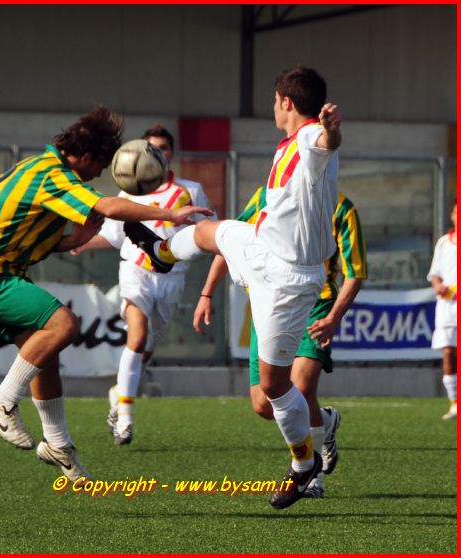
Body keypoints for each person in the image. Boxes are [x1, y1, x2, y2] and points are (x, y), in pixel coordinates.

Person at [0, 106, 211, 483]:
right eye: (100, 167)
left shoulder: (40, 168)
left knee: (45, 354)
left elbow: (29, 237)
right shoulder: (52, 175)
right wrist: (170, 216)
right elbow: (107, 206)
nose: (98, 175)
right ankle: (2, 402)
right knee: (64, 325)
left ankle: (58, 444)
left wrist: (75, 240)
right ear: (87, 156)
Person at [123, 67, 342, 509]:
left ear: (286, 102)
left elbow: (326, 142)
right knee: (215, 230)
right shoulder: (288, 144)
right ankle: (162, 251)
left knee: (273, 386)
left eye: (274, 100)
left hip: (289, 279)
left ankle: (304, 463)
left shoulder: (309, 136)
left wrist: (331, 129)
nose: (273, 106)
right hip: (264, 249)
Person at [193, 188, 367, 498]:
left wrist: (333, 318)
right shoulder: (267, 195)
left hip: (314, 304)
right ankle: (325, 421)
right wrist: (206, 293)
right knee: (264, 404)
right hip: (268, 305)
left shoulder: (342, 209)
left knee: (300, 388)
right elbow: (228, 241)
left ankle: (311, 477)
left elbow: (355, 272)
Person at [71, 124, 217, 445]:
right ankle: (125, 419)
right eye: (150, 148)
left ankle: (118, 393)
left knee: (145, 351)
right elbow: (114, 236)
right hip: (136, 271)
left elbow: (210, 232)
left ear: (170, 154)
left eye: (162, 148)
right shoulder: (129, 191)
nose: (156, 154)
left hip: (172, 279)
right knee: (135, 338)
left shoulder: (191, 190)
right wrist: (79, 242)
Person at [427, 200, 457, 420]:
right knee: (448, 352)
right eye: (456, 212)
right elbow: (435, 273)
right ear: (452, 215)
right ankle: (454, 403)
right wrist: (438, 286)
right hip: (447, 306)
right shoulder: (444, 243)